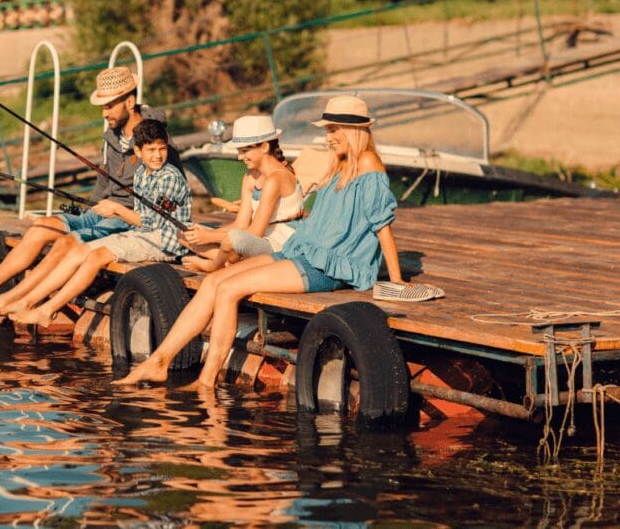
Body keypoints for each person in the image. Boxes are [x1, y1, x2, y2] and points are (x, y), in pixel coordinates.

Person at [113, 95, 407, 388]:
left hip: (330, 266)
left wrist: (396, 281)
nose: (328, 137)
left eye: (332, 130)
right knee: (214, 281)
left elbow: (382, 224)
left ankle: (206, 381)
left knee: (229, 289)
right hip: (306, 251)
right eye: (327, 130)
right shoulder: (341, 164)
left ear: (353, 131)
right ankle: (159, 360)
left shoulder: (368, 163)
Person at [0, 66, 180, 312]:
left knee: (66, 243)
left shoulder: (156, 140)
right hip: (101, 211)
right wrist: (88, 212)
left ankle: (8, 302)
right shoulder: (113, 135)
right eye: (102, 106)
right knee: (42, 226)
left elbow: (171, 190)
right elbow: (104, 180)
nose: (104, 113)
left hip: (127, 219)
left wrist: (127, 211)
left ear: (129, 102)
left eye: (109, 106)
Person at [0, 118, 191, 325]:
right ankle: (27, 302)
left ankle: (47, 310)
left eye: (162, 149)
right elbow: (142, 219)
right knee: (79, 250)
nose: (158, 155)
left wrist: (117, 210)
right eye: (151, 150)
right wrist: (113, 212)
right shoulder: (142, 173)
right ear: (138, 151)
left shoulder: (170, 177)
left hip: (165, 240)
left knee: (96, 257)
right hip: (142, 234)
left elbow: (154, 222)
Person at [180, 115, 303, 273]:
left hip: (280, 245)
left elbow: (255, 232)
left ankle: (213, 265)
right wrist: (205, 233)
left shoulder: (276, 178)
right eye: (239, 151)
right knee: (184, 234)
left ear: (264, 147)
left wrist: (209, 236)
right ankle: (231, 261)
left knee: (233, 240)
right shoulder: (251, 177)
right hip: (257, 241)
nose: (239, 157)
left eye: (244, 151)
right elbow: (241, 224)